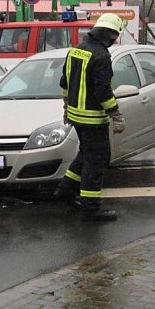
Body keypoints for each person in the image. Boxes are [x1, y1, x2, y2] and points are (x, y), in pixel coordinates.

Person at [53, 13, 126, 221]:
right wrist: (116, 114)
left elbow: (64, 82)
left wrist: (66, 107)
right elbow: (103, 91)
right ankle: (91, 208)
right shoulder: (101, 56)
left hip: (76, 117)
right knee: (96, 161)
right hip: (93, 119)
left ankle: (65, 191)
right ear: (110, 36)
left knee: (86, 155)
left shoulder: (76, 50)